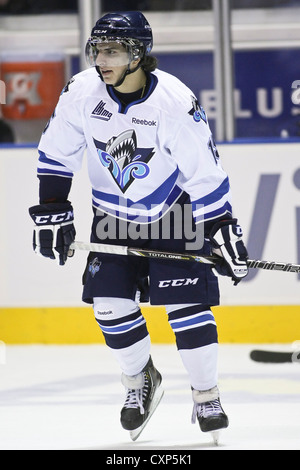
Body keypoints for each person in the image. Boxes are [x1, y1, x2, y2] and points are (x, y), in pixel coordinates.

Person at [29, 11, 249, 442]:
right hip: (112, 216)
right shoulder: (81, 91)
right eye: (98, 49)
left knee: (187, 309)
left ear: (139, 54)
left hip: (174, 212)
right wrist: (53, 205)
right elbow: (57, 152)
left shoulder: (174, 101)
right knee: (109, 305)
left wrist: (221, 224)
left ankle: (206, 394)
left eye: (113, 50)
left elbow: (204, 171)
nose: (102, 59)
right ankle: (140, 381)